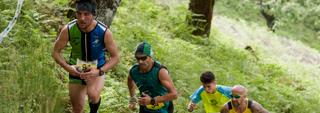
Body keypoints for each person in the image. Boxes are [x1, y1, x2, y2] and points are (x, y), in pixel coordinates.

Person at [52, 0, 120, 113]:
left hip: (97, 68)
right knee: (77, 109)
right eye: (79, 14)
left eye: (86, 14)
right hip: (76, 69)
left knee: (93, 94)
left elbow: (115, 57)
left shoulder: (104, 32)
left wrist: (99, 71)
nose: (82, 18)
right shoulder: (68, 29)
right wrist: (67, 67)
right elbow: (55, 52)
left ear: (93, 15)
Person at [127, 41, 178, 113]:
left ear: (150, 57)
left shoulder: (160, 71)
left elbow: (174, 95)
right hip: (145, 108)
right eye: (137, 58)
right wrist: (132, 98)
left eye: (143, 58)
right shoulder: (134, 71)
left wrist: (152, 101)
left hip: (163, 110)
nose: (140, 61)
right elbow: (130, 80)